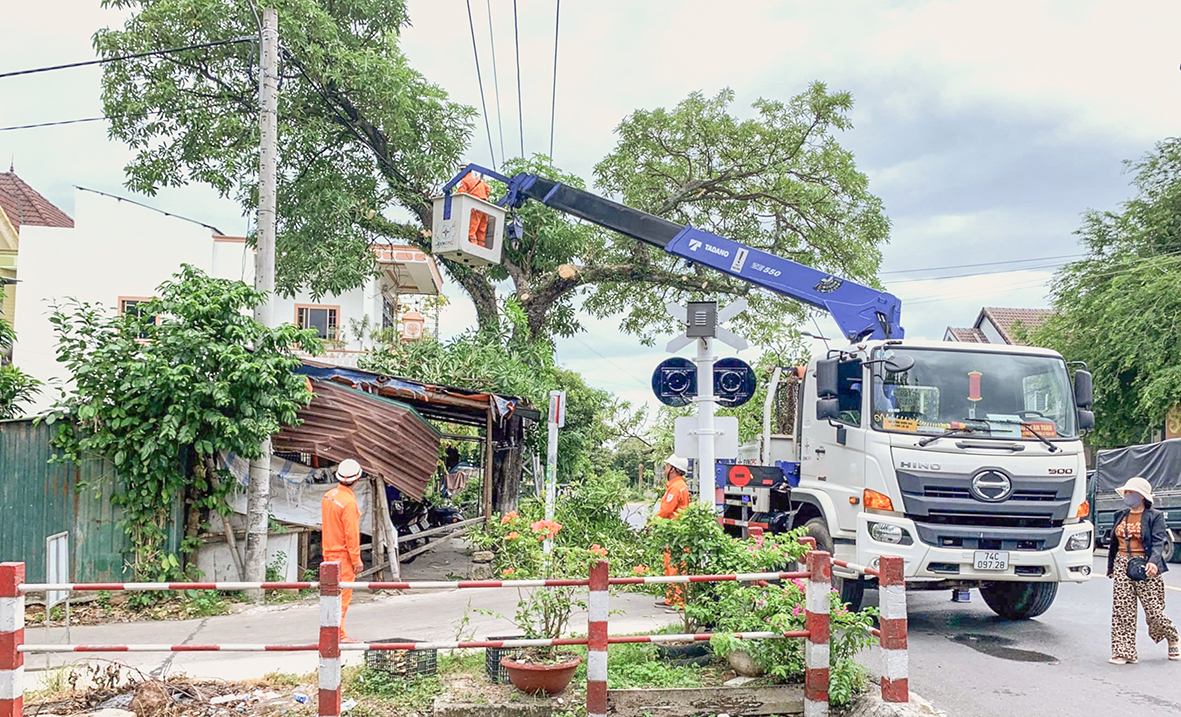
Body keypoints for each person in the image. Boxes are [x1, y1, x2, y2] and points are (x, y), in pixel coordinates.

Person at [1106, 476, 1179, 664]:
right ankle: (1123, 651)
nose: (1128, 495)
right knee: (1122, 610)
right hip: (1122, 563)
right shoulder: (1120, 515)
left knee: (1154, 610)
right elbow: (1114, 543)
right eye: (1126, 492)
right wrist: (1112, 567)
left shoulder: (1154, 516)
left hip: (1145, 565)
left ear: (1142, 496)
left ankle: (1172, 636)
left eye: (1132, 492)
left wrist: (1153, 562)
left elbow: (1158, 542)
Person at [322, 458, 365, 643]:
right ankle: (339, 634)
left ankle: (332, 630)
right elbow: (351, 535)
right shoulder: (348, 502)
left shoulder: (328, 496)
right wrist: (356, 560)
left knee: (330, 595)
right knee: (343, 597)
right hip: (343, 556)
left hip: (328, 553)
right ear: (356, 480)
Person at [655, 455, 691, 608]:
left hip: (675, 531)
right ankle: (672, 599)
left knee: (674, 565)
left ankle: (677, 601)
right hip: (677, 531)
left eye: (667, 466)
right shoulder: (678, 485)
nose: (665, 469)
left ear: (673, 469)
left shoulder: (676, 487)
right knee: (674, 564)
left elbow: (666, 510)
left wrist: (653, 522)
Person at [455, 171, 491, 247]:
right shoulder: (478, 179)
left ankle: (473, 247)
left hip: (475, 206)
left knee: (471, 230)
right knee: (481, 230)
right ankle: (481, 247)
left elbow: (460, 193)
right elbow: (488, 189)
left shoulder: (465, 180)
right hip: (484, 206)